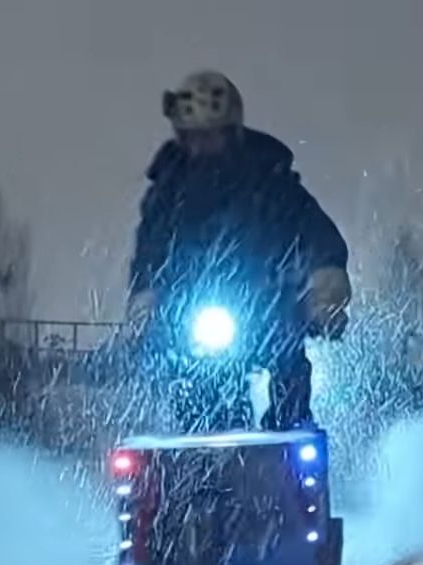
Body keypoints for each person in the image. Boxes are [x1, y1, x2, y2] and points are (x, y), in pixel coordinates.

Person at [127, 70, 351, 430]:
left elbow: (314, 228)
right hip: (190, 308)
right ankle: (194, 463)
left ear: (231, 132)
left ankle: (290, 436)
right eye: (194, 137)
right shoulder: (167, 191)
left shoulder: (268, 176)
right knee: (188, 383)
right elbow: (150, 249)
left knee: (289, 358)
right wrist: (144, 298)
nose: (203, 146)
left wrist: (326, 281)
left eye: (211, 136)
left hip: (265, 299)